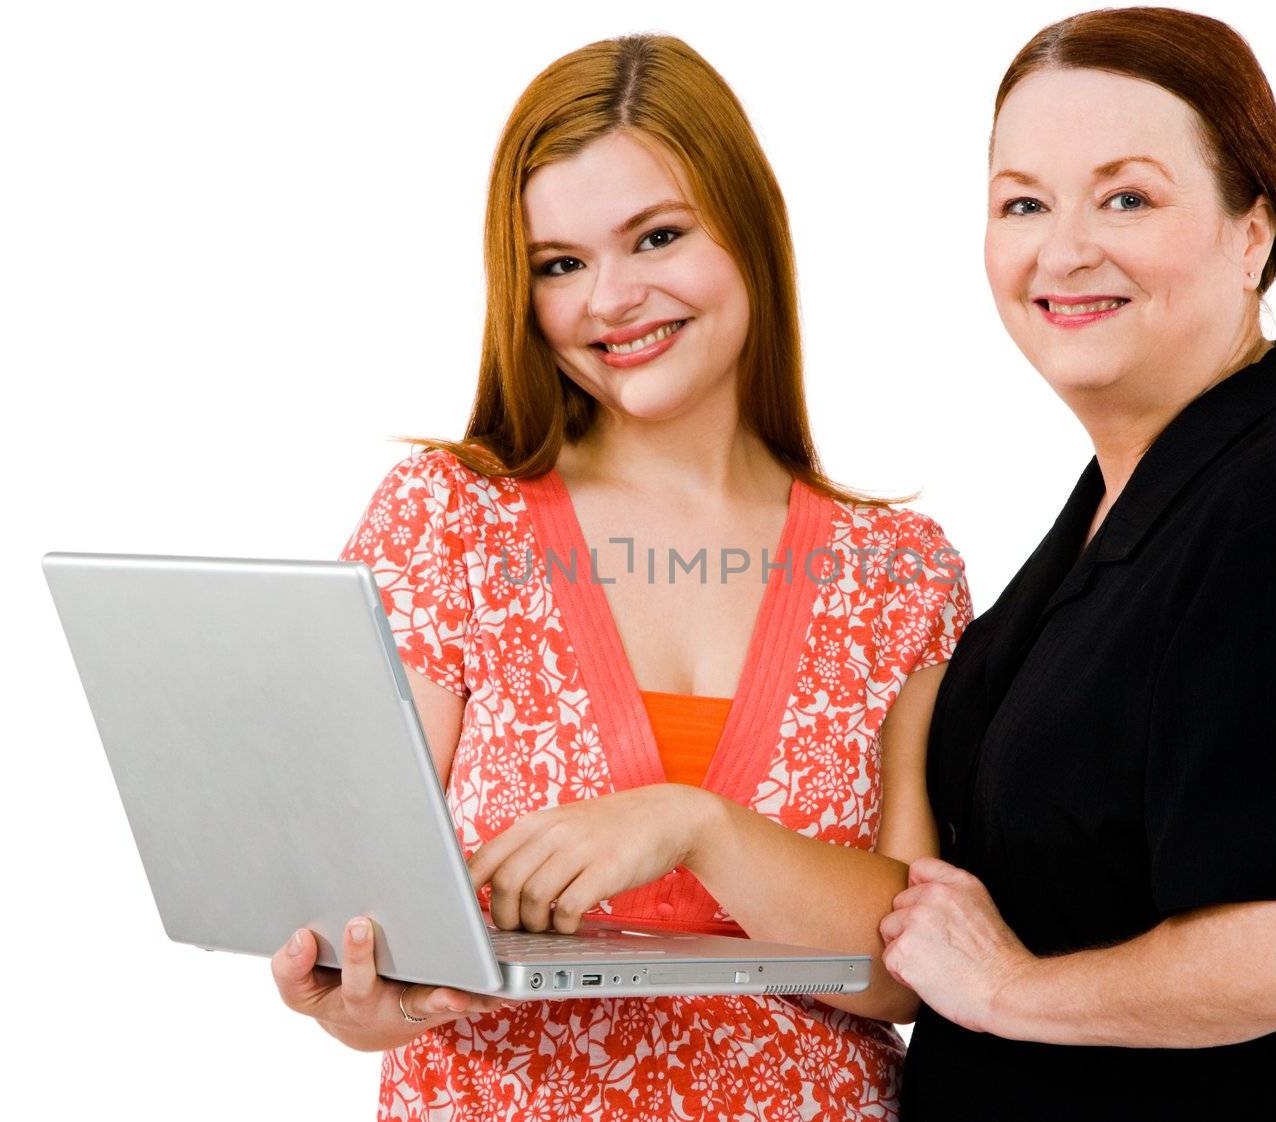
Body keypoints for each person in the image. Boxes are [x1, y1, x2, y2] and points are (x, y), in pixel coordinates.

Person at [268, 33, 972, 1122]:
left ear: (748, 228)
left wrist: (699, 826)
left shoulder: (897, 573)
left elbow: (903, 972)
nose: (612, 298)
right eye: (560, 263)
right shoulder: (449, 525)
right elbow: (365, 915)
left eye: (657, 236)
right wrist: (370, 1004)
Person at [878, 7, 1276, 1119]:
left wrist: (1006, 989)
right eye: (1023, 202)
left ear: (1253, 232)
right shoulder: (1136, 500)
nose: (1061, 250)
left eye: (1126, 197)